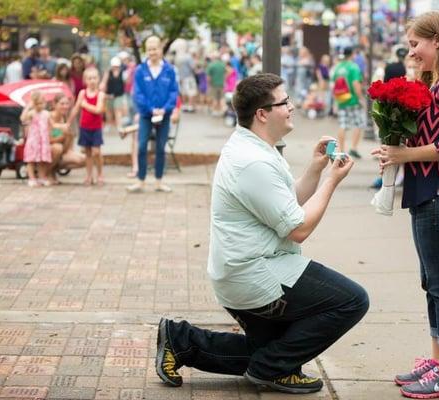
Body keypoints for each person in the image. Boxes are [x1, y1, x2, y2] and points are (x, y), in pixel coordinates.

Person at [154, 73, 367, 395]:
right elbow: (299, 228)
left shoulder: (253, 147)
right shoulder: (252, 161)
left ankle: (181, 340)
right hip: (254, 272)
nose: (293, 107)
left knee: (272, 351)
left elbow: (284, 206)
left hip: (245, 268)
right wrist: (331, 182)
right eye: (284, 102)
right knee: (352, 300)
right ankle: (270, 370)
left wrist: (315, 168)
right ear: (263, 114)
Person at [371, 12, 439, 398]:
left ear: (437, 41)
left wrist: (402, 154)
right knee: (433, 283)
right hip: (431, 193)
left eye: (416, 44)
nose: (411, 51)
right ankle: (438, 362)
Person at [127, 35, 179, 193]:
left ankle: (158, 182)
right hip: (146, 115)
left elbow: (174, 92)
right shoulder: (140, 70)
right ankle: (140, 181)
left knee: (161, 149)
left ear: (161, 49)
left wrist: (165, 108)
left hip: (165, 115)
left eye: (154, 48)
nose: (152, 52)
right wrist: (151, 109)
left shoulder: (169, 70)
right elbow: (138, 93)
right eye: (149, 49)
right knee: (142, 146)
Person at [68, 67, 106, 185]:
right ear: (85, 80)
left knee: (96, 152)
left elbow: (98, 110)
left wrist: (85, 104)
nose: (92, 80)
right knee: (88, 153)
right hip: (84, 127)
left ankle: (100, 174)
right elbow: (76, 108)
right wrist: (68, 122)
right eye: (89, 78)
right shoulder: (82, 93)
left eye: (94, 78)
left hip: (96, 128)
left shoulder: (100, 94)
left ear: (98, 79)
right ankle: (89, 175)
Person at [331, 46, 366, 158]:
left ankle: (341, 149)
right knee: (358, 123)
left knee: (343, 124)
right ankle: (353, 148)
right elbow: (356, 84)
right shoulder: (353, 67)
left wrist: (335, 101)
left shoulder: (338, 67)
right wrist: (361, 98)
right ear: (352, 54)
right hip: (353, 100)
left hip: (341, 99)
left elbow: (333, 85)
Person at [21, 91, 52, 187]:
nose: (40, 105)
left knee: (41, 161)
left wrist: (54, 133)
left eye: (41, 103)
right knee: (31, 160)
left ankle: (41, 177)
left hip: (43, 141)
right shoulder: (32, 113)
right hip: (33, 141)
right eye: (37, 103)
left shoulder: (46, 114)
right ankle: (32, 178)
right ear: (33, 103)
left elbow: (51, 126)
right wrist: (28, 107)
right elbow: (22, 118)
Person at [101, 56, 127, 134]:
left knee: (117, 110)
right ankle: (109, 124)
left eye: (116, 66)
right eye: (114, 66)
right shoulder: (108, 72)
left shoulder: (123, 73)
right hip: (109, 95)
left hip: (119, 95)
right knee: (109, 111)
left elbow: (125, 83)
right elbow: (104, 82)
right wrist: (102, 88)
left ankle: (119, 126)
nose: (115, 68)